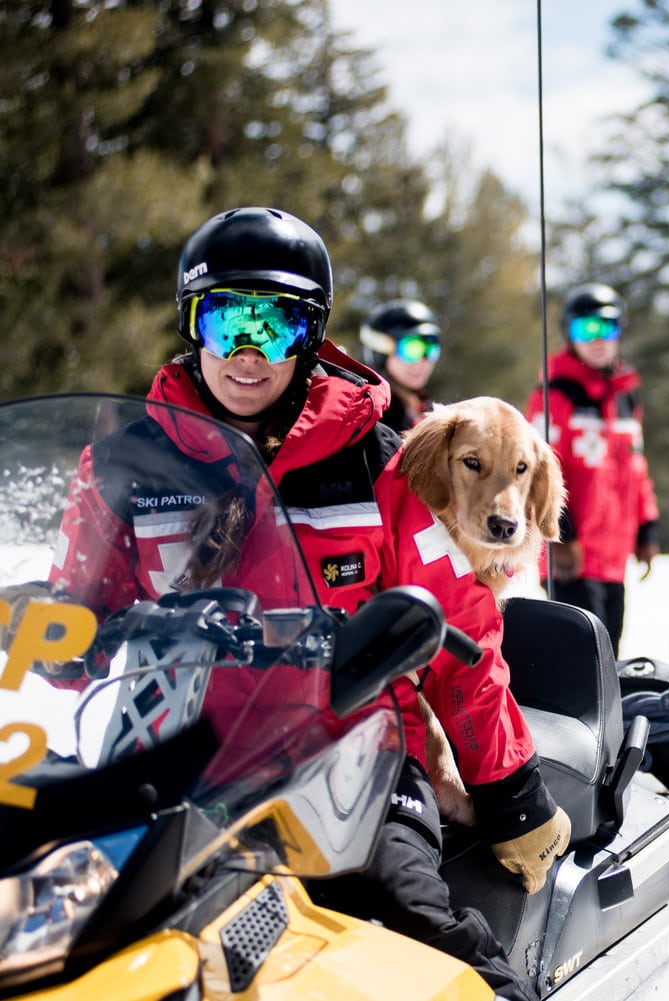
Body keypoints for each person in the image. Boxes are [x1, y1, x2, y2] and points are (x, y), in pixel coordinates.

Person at [47, 206, 563, 999]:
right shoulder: (123, 466)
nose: (248, 353)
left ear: (311, 333)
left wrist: (511, 793)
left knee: (408, 909)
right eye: (227, 321)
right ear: (194, 327)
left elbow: (459, 631)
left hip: (354, 754)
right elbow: (70, 613)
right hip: (178, 760)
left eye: (275, 324)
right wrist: (53, 635)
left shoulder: (378, 465)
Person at [526, 283, 659, 655]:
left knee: (608, 653)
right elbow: (538, 470)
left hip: (613, 556)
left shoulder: (625, 397)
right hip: (572, 555)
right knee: (579, 657)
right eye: (586, 329)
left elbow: (637, 468)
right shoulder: (555, 395)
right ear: (569, 333)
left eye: (608, 327)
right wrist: (560, 535)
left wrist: (647, 528)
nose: (598, 339)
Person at [360, 298, 444, 433]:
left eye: (431, 349)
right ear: (382, 352)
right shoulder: (373, 415)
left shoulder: (425, 409)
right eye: (412, 349)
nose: (423, 361)